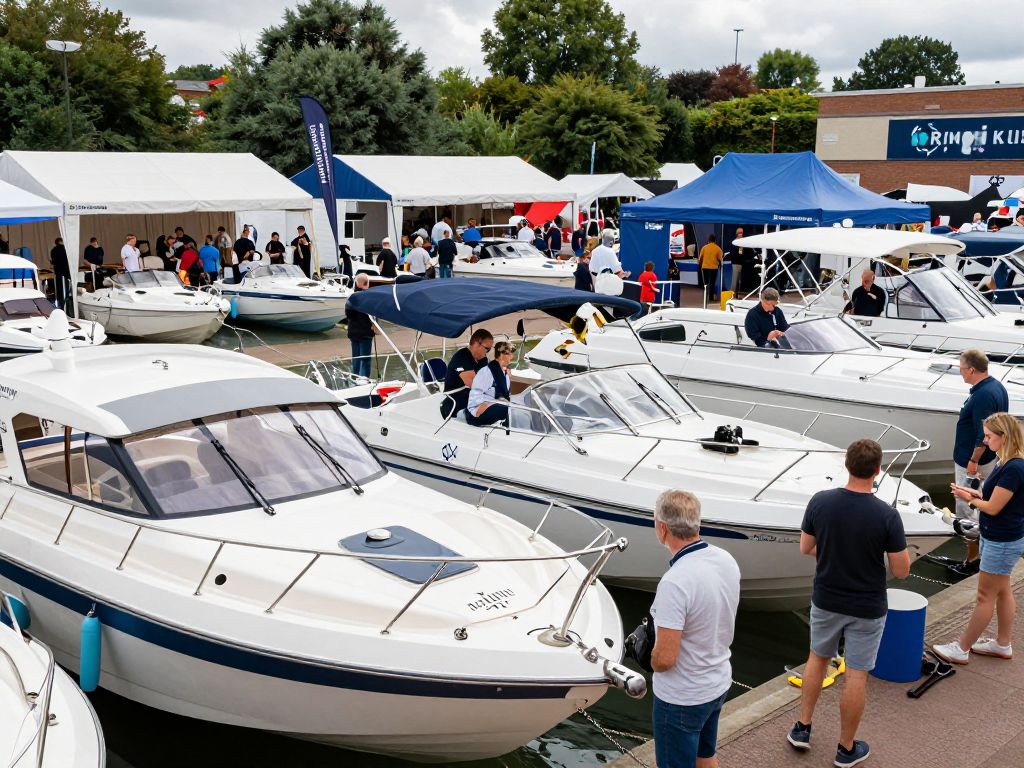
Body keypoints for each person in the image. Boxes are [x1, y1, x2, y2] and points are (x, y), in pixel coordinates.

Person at [787, 439, 911, 767]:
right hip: (867, 606)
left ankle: (802, 728)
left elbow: (806, 547)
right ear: (877, 471)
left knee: (817, 659)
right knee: (856, 675)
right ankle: (845, 748)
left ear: (847, 465)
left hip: (827, 597)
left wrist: (835, 553)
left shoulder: (821, 502)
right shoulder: (888, 515)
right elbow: (900, 571)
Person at [650, 489, 740, 768]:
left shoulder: (675, 581)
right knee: (706, 757)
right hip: (717, 682)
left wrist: (648, 657)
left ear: (662, 529)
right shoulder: (725, 559)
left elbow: (665, 660)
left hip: (682, 698)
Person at [934, 413, 1024, 664]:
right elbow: (997, 499)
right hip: (1001, 536)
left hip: (1001, 541)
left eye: (988, 436)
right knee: (1003, 590)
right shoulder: (1005, 461)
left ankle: (961, 649)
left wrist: (969, 499)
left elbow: (994, 508)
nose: (984, 441)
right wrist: (972, 492)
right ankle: (1003, 644)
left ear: (1004, 437)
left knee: (985, 596)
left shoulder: (1014, 467)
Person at [949, 349, 1010, 576]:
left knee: (967, 509)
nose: (961, 373)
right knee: (978, 506)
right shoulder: (996, 387)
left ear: (972, 369)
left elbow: (982, 434)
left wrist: (972, 462)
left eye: (962, 369)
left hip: (972, 463)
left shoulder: (983, 395)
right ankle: (978, 555)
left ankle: (973, 559)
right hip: (984, 460)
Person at [441, 329, 493, 419]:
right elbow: (474, 384)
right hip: (453, 401)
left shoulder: (482, 360)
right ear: (476, 344)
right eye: (487, 349)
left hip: (468, 395)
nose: (487, 352)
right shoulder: (462, 356)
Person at [466, 341, 515, 427]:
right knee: (507, 410)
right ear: (501, 355)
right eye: (509, 354)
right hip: (480, 411)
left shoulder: (505, 374)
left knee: (515, 410)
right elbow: (475, 393)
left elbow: (504, 395)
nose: (512, 357)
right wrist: (478, 411)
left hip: (496, 405)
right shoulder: (486, 372)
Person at [346, 274, 375, 379]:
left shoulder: (351, 297)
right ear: (366, 283)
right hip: (365, 333)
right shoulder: (369, 297)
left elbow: (348, 314)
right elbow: (373, 314)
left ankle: (355, 377)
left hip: (353, 332)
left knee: (356, 358)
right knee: (365, 359)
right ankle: (364, 379)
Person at [699, 234, 723, 303]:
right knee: (712, 282)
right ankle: (711, 297)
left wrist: (700, 265)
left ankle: (705, 297)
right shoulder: (718, 248)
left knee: (706, 283)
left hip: (705, 267)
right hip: (714, 268)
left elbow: (700, 258)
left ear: (708, 240)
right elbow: (720, 259)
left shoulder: (704, 247)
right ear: (715, 240)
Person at [50, 237, 71, 310]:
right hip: (66, 272)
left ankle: (60, 307)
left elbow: (53, 262)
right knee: (66, 290)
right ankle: (67, 307)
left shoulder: (53, 250)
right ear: (62, 241)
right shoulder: (66, 249)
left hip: (58, 273)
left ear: (56, 243)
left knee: (59, 290)